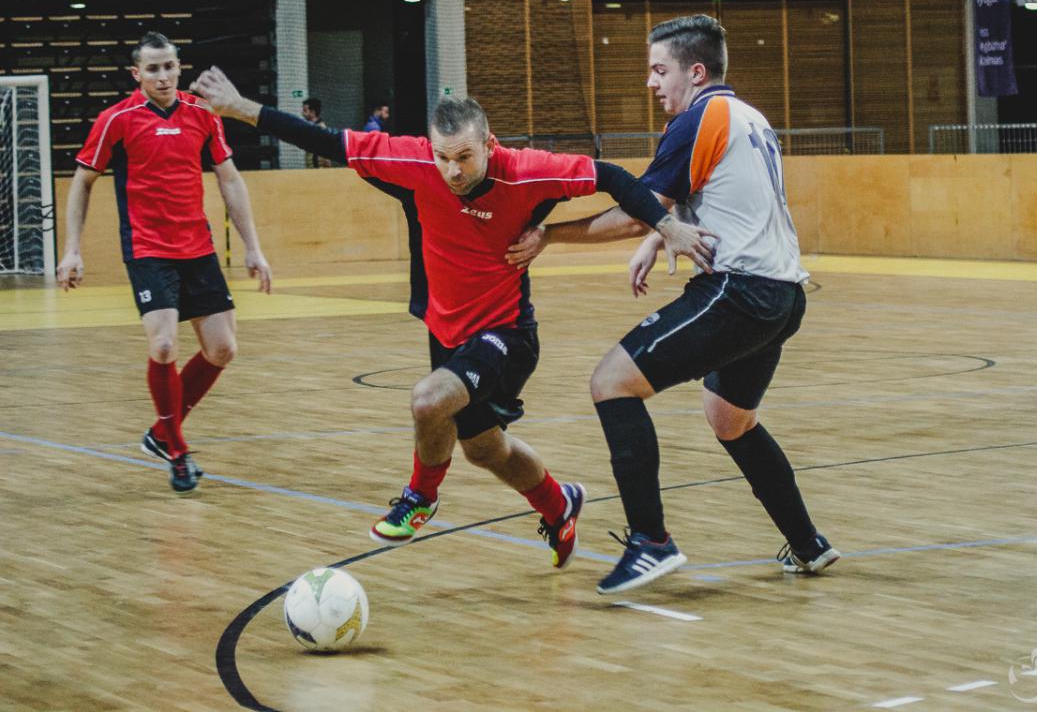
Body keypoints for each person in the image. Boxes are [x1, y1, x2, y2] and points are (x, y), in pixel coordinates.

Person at [189, 66, 713, 569]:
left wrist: (666, 226)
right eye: (443, 157)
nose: (453, 170)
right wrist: (240, 108)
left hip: (506, 334)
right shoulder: (413, 163)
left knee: (428, 401)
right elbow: (326, 142)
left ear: (489, 144)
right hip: (446, 333)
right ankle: (560, 505)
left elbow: (613, 176)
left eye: (465, 156)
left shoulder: (526, 171)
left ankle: (420, 498)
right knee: (484, 449)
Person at [506, 14, 839, 593]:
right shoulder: (748, 116)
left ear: (697, 71)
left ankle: (650, 542)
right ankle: (807, 543)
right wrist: (661, 237)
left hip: (738, 291)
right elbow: (720, 198)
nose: (651, 82)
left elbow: (638, 210)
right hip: (784, 296)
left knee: (612, 382)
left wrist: (550, 236)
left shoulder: (697, 118)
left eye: (660, 71)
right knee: (731, 420)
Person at [55, 32, 272, 495]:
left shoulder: (201, 114)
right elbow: (82, 182)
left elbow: (230, 181)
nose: (163, 76)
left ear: (179, 67)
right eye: (152, 69)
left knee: (222, 349)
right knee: (165, 344)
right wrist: (72, 249)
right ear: (137, 74)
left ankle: (160, 433)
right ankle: (176, 449)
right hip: (148, 248)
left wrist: (253, 247)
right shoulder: (117, 119)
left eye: (169, 66)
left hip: (198, 248)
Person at [300, 97, 332, 168]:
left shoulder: (320, 129)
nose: (302, 113)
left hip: (318, 169)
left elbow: (327, 151)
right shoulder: (311, 128)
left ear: (313, 112)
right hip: (312, 168)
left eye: (305, 110)